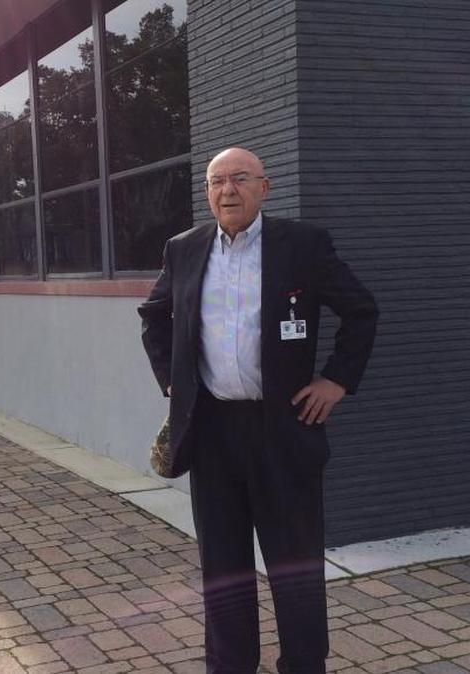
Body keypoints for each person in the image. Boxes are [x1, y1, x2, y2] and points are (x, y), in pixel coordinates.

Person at [138, 148, 378, 673]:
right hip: (213, 434)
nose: (228, 190)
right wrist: (173, 382)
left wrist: (336, 380)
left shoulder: (303, 246)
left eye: (240, 179)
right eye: (217, 181)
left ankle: (302, 664)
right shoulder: (184, 248)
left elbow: (361, 310)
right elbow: (154, 316)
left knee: (296, 567)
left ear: (264, 187)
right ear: (207, 192)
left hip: (284, 429)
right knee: (222, 568)